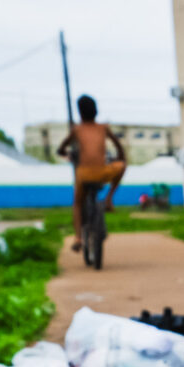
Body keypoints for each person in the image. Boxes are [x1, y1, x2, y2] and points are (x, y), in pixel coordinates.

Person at [59, 94, 124, 269]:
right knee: (121, 165)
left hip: (84, 174)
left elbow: (61, 148)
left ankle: (79, 237)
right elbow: (119, 146)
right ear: (96, 110)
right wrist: (119, 158)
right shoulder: (103, 128)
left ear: (79, 112)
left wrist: (65, 154)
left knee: (78, 204)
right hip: (103, 172)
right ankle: (109, 199)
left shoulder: (77, 129)